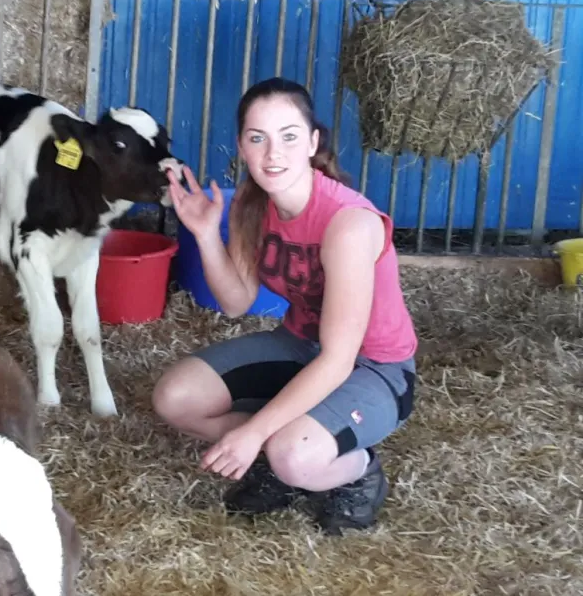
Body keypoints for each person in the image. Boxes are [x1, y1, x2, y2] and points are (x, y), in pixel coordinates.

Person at [153, 77, 418, 535]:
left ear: (313, 143)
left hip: (375, 367)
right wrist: (205, 234)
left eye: (289, 137)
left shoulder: (348, 224)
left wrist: (253, 433)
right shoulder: (251, 205)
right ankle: (285, 449)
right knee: (175, 398)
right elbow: (235, 303)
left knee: (292, 455)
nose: (273, 153)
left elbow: (338, 360)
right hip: (300, 346)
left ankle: (359, 471)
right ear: (242, 146)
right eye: (258, 138)